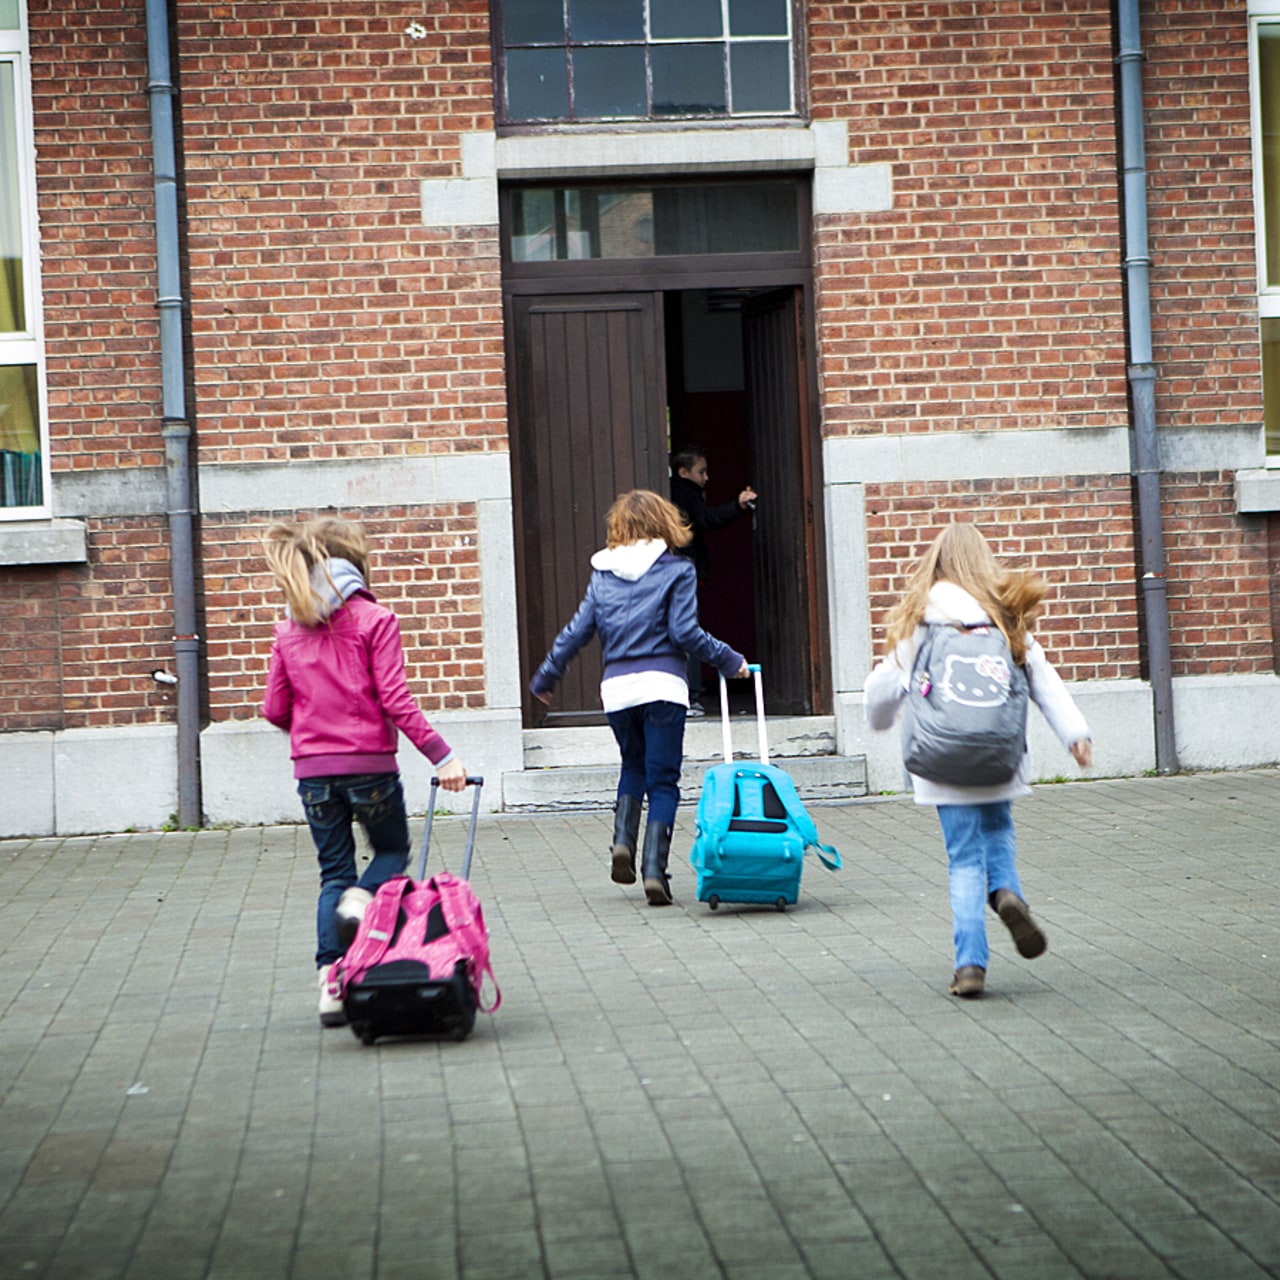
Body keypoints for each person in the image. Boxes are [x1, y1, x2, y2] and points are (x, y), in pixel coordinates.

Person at [864, 522, 1092, 999]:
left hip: (942, 761)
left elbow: (882, 690)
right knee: (998, 832)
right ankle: (1007, 891)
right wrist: (1075, 735)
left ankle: (970, 965)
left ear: (938, 564)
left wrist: (880, 719)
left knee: (964, 861)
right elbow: (1043, 681)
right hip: (998, 758)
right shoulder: (1005, 618)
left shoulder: (922, 621)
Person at [261, 516, 467, 1027]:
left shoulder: (289, 627)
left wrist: (311, 723)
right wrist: (444, 756)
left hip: (312, 772)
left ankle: (331, 984)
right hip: (369, 766)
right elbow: (395, 699)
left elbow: (273, 708)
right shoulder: (376, 620)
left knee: (333, 872)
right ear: (354, 561)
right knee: (392, 850)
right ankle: (361, 900)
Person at [530, 489, 749, 906]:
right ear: (664, 522)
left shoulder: (602, 575)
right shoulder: (677, 570)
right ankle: (654, 872)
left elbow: (576, 632)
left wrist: (547, 674)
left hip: (616, 691)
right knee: (663, 781)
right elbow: (685, 633)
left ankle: (622, 843)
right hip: (663, 686)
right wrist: (727, 658)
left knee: (633, 765)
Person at [669, 445, 757, 715]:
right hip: (684, 565)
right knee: (687, 627)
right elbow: (707, 519)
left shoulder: (678, 491)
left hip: (682, 565)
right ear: (684, 472)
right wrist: (738, 505)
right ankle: (691, 694)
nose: (706, 477)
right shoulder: (686, 494)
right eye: (701, 471)